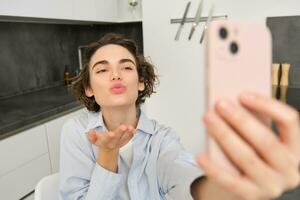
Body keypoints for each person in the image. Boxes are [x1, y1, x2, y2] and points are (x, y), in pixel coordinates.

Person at [59, 33, 300, 200]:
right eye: (102, 69)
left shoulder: (162, 139)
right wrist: (107, 154)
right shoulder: (76, 133)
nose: (115, 75)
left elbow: (186, 178)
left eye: (126, 67)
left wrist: (236, 191)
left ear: (141, 82)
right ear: (89, 88)